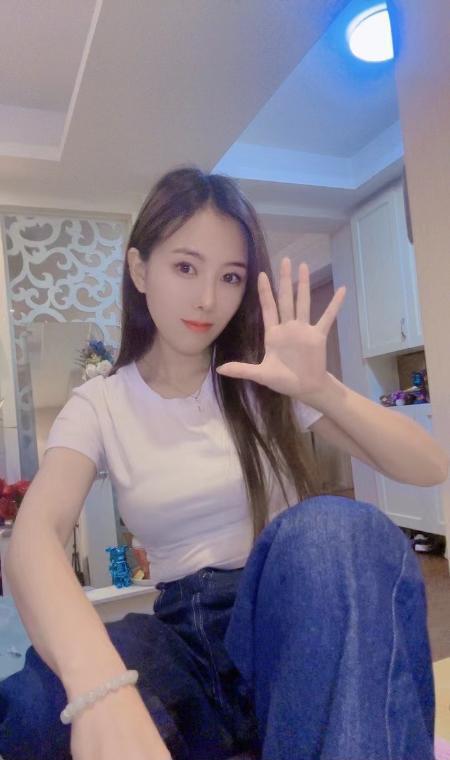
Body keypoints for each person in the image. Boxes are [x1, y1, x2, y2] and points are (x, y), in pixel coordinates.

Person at [0, 167, 448, 760]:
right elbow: (35, 535)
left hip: (289, 618)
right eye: (186, 267)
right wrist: (98, 688)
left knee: (337, 529)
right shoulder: (99, 403)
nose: (208, 299)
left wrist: (320, 388)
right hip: (179, 640)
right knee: (35, 705)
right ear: (140, 270)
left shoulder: (266, 379)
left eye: (230, 276)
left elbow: (428, 466)